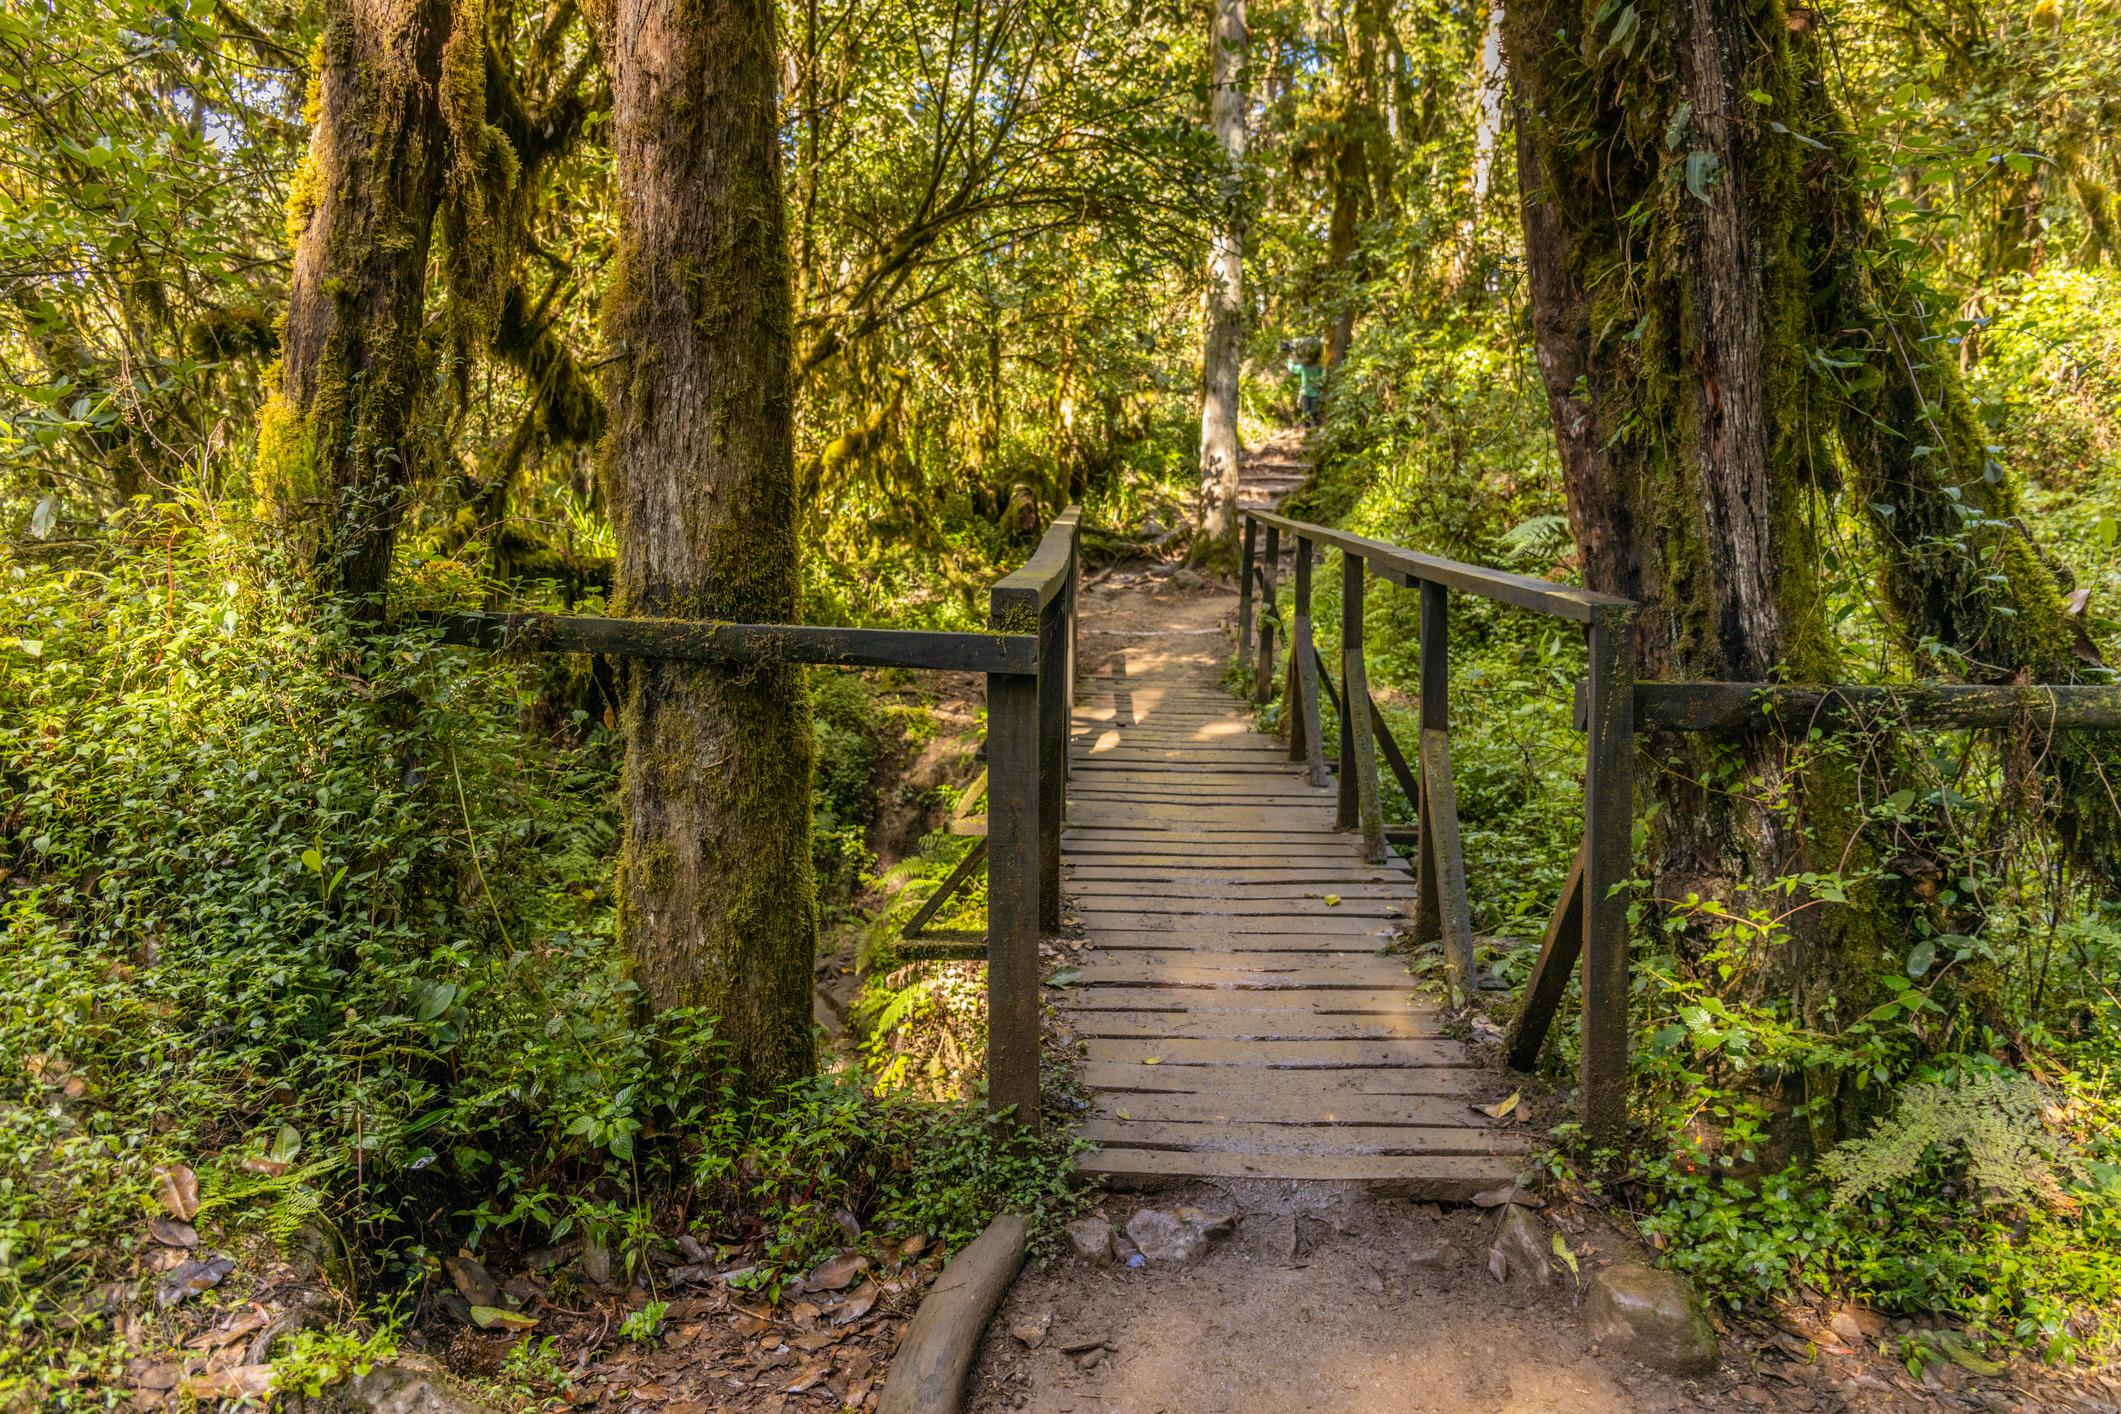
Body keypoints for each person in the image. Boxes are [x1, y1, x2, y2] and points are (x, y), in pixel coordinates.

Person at [1282, 339, 1324, 425]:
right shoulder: (1315, 367)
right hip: (1311, 393)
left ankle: (1311, 431)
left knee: (1309, 414)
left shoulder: (1306, 367)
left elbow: (1292, 367)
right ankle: (1311, 431)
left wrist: (1290, 358)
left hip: (1311, 393)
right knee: (1310, 414)